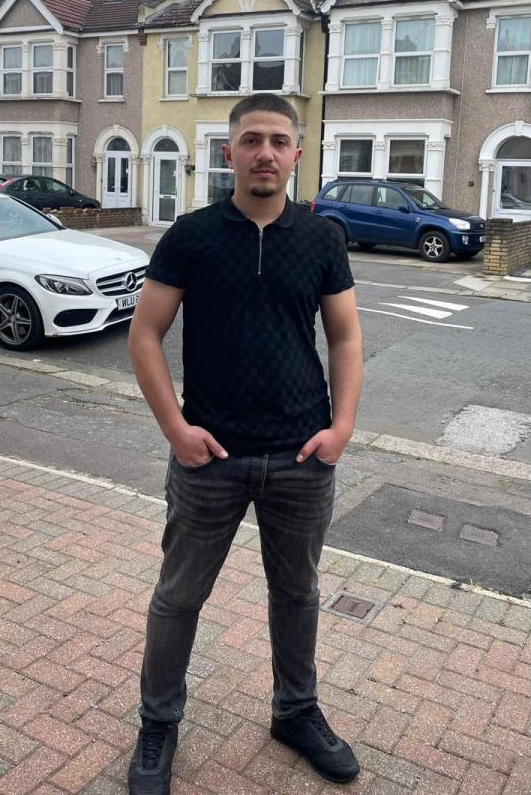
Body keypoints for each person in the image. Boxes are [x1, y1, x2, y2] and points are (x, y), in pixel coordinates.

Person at [127, 92, 363, 794]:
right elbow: (144, 336)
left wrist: (341, 427)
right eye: (251, 139)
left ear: (296, 154)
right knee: (178, 598)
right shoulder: (191, 235)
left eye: (278, 141)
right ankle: (158, 722)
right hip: (211, 459)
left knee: (296, 594)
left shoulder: (321, 239)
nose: (265, 152)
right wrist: (176, 429)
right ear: (227, 152)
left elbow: (345, 337)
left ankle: (295, 711)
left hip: (300, 457)